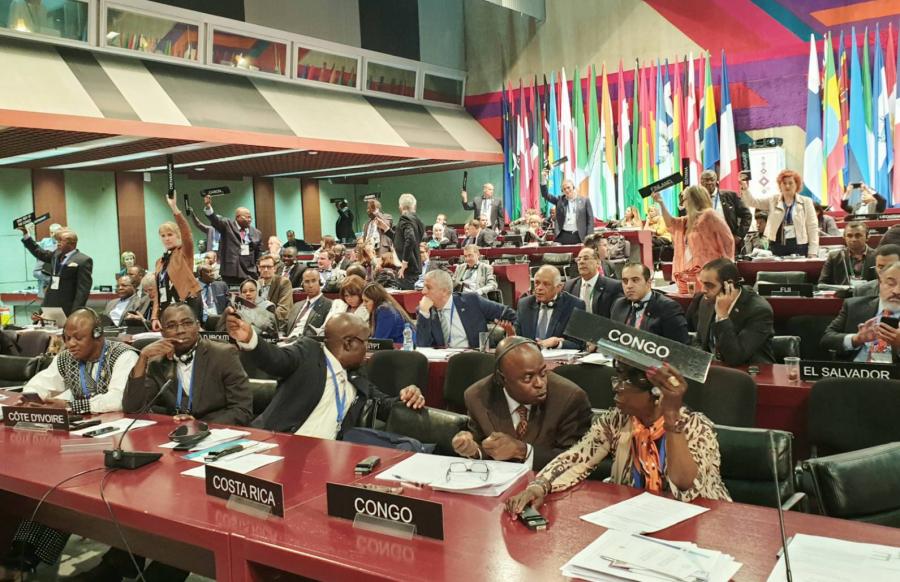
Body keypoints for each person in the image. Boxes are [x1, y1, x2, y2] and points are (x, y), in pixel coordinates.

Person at [0, 309, 139, 580]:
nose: (70, 344)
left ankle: (25, 558)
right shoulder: (67, 357)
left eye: (78, 338)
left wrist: (69, 404)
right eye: (66, 338)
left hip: (118, 442)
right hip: (78, 441)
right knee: (51, 488)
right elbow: (40, 383)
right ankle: (22, 554)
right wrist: (34, 398)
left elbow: (117, 400)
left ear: (98, 334)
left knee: (66, 492)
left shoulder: (123, 356)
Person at [505, 361, 732, 515]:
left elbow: (685, 485)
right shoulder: (616, 420)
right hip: (636, 519)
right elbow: (577, 458)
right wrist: (539, 486)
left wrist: (671, 418)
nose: (616, 388)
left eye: (625, 383)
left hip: (701, 523)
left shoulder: (695, 427)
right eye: (617, 379)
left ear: (655, 394)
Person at [225, 311, 425, 435]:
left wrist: (409, 395)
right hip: (278, 444)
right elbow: (276, 359)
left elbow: (384, 405)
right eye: (365, 342)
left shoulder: (356, 375)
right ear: (348, 343)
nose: (368, 349)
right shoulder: (308, 353)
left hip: (326, 459)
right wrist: (250, 339)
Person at [451, 337, 592, 469]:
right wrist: (473, 450)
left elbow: (577, 459)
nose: (540, 383)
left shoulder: (569, 398)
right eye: (528, 378)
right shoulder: (478, 397)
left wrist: (523, 451)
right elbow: (482, 442)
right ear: (501, 378)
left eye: (543, 373)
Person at [124, 303, 252, 424]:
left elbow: (242, 410)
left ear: (197, 326)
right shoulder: (157, 362)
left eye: (187, 323)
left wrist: (200, 425)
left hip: (217, 431)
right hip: (175, 432)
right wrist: (142, 357)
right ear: (162, 332)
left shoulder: (223, 354)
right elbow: (133, 409)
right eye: (171, 326)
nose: (180, 330)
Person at [652, 186, 734, 293]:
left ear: (693, 199)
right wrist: (661, 203)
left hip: (707, 270)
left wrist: (725, 266)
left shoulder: (710, 215)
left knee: (705, 297)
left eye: (684, 199)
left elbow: (728, 240)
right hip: (688, 271)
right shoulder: (688, 220)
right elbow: (671, 223)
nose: (683, 204)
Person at [693, 258, 775, 365]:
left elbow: (735, 357)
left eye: (709, 285)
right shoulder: (706, 301)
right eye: (702, 283)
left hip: (750, 370)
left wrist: (722, 316)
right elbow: (700, 341)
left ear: (728, 285)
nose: (703, 290)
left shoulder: (759, 311)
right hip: (715, 369)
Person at [821, 260, 900, 362]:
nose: (897, 291)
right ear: (879, 283)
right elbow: (826, 339)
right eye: (890, 283)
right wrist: (856, 339)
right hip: (854, 369)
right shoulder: (854, 306)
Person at [416, 270, 515, 349]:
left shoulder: (472, 301)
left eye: (428, 287)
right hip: (445, 363)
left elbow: (509, 314)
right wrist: (424, 314)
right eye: (423, 287)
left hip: (476, 359)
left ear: (444, 291)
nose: (423, 292)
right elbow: (422, 347)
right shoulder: (425, 310)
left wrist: (513, 332)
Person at [739, 170, 819, 257]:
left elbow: (812, 227)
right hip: (776, 245)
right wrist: (745, 188)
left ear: (797, 185)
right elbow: (752, 202)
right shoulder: (773, 200)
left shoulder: (806, 202)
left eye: (790, 183)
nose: (787, 186)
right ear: (780, 185)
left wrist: (813, 251)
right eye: (784, 183)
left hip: (800, 246)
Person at [151, 196, 202, 330]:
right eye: (163, 236)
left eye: (170, 234)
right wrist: (155, 316)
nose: (166, 239)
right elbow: (157, 290)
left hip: (186, 303)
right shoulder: (159, 262)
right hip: (166, 307)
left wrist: (174, 208)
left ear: (178, 235)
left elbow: (187, 233)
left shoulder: (184, 252)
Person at [19, 226, 92, 315]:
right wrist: (26, 235)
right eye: (58, 241)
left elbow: (83, 291)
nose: (58, 243)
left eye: (61, 241)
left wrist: (75, 313)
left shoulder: (83, 260)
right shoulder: (56, 255)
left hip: (67, 307)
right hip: (49, 304)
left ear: (72, 244)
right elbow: (39, 252)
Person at [611, 262, 689, 344]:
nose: (629, 286)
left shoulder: (668, 308)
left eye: (635, 280)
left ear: (648, 282)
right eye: (625, 281)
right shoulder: (619, 305)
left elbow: (681, 348)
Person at [516, 265, 585, 349]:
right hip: (530, 355)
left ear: (559, 287)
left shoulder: (575, 305)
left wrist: (557, 343)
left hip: (558, 356)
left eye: (546, 284)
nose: (539, 288)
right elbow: (518, 339)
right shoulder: (524, 304)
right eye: (537, 283)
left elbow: (579, 344)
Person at [203, 195, 262, 284]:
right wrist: (208, 207)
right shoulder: (227, 225)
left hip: (249, 272)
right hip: (230, 272)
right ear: (238, 217)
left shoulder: (257, 233)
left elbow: (259, 254)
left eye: (250, 217)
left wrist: (258, 269)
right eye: (246, 217)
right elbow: (215, 221)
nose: (249, 220)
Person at [699, 169, 753, 251]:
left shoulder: (730, 196)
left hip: (729, 242)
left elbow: (747, 215)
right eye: (706, 180)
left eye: (712, 179)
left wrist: (739, 235)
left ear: (716, 181)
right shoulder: (697, 199)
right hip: (706, 245)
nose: (709, 182)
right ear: (701, 182)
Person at [564, 248, 623, 318]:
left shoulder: (613, 286)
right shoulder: (569, 285)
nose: (581, 262)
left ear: (598, 263)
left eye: (586, 258)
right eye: (578, 259)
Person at [540, 170, 594, 244]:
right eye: (564, 189)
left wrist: (590, 237)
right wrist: (543, 179)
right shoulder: (559, 200)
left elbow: (590, 220)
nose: (567, 190)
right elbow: (545, 195)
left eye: (568, 187)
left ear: (573, 187)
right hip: (563, 236)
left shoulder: (585, 200)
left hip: (579, 236)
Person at [818, 221, 876, 286]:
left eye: (858, 235)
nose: (853, 239)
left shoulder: (877, 256)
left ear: (867, 237)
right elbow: (822, 284)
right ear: (844, 237)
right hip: (842, 292)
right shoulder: (834, 257)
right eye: (849, 236)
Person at [283, 269, 332, 338]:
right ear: (302, 285)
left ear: (320, 282)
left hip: (306, 342)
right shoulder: (296, 305)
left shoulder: (329, 305)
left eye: (313, 281)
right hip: (286, 340)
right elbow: (284, 327)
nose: (310, 285)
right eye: (307, 282)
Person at [393, 193, 426, 289]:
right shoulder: (418, 221)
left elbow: (410, 239)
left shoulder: (405, 218)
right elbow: (401, 240)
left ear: (400, 207)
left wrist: (404, 262)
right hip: (414, 267)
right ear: (414, 206)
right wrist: (386, 230)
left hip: (406, 269)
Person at [257, 254, 294, 325]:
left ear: (275, 268)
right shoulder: (257, 283)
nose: (265, 270)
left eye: (269, 267)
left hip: (277, 323)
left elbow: (283, 310)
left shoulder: (283, 282)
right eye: (263, 267)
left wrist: (262, 318)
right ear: (258, 268)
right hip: (258, 322)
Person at [32, 223, 62, 299]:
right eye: (51, 232)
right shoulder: (45, 242)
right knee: (47, 300)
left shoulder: (64, 243)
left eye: (55, 232)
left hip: (59, 279)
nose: (52, 235)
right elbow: (36, 273)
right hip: (47, 276)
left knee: (56, 298)